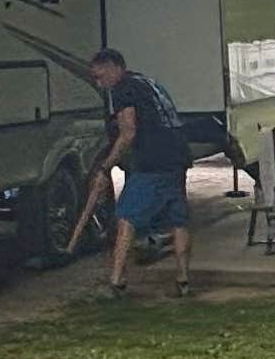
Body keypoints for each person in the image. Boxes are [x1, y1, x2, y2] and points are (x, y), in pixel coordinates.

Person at [69, 46, 195, 297]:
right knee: (177, 220)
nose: (100, 83)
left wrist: (106, 166)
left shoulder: (122, 89)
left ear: (116, 67)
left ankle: (117, 282)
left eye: (101, 76)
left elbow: (128, 132)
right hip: (178, 156)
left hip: (152, 161)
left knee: (126, 217)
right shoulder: (149, 83)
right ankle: (183, 280)